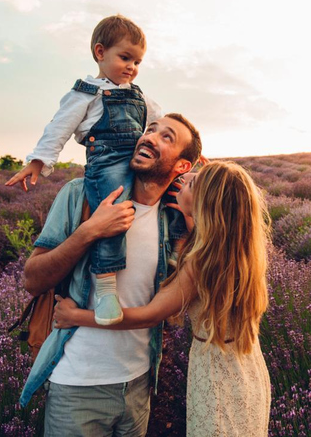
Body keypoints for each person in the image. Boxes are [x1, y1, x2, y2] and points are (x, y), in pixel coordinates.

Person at [54, 161, 272, 436]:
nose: (185, 178)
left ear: (206, 205)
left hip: (217, 380)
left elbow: (150, 315)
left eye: (193, 183)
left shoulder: (200, 264)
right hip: (248, 372)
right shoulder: (240, 253)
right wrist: (191, 207)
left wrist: (76, 316)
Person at [19, 113, 202, 437]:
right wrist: (89, 231)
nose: (149, 137)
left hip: (139, 384)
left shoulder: (173, 219)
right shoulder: (80, 194)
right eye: (150, 129)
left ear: (183, 166)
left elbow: (172, 308)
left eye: (167, 137)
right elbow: (32, 280)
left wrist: (188, 230)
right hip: (77, 386)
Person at [5, 14, 188, 326]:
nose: (132, 67)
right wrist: (38, 160)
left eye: (137, 62)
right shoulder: (87, 91)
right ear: (100, 52)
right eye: (125, 58)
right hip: (107, 162)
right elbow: (59, 127)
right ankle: (105, 286)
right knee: (113, 213)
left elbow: (164, 121)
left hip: (134, 159)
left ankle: (175, 252)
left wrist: (189, 152)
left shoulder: (139, 94)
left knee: (177, 191)